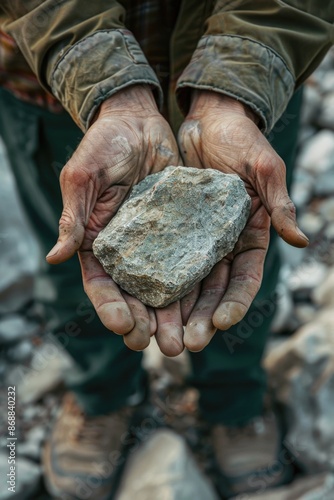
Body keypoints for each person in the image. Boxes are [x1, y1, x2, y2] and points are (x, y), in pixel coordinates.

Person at [0, 1, 333, 498]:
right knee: (74, 264)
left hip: (253, 85)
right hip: (52, 77)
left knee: (244, 278)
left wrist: (235, 90)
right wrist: (107, 86)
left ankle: (235, 402)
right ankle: (101, 396)